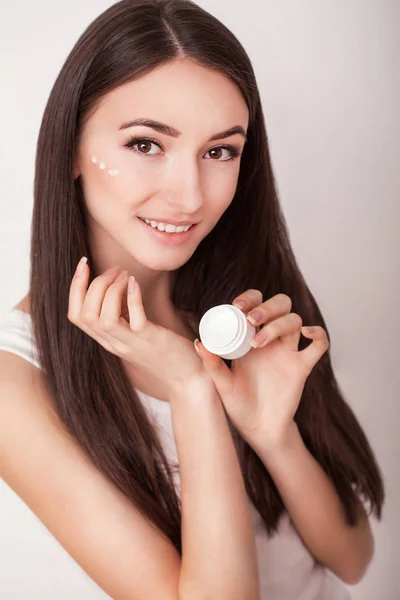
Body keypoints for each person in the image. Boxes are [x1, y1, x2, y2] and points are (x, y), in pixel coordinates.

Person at [0, 1, 385, 599]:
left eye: (219, 152)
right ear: (73, 147)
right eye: (147, 144)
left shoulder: (243, 302)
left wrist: (273, 436)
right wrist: (192, 389)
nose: (188, 196)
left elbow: (353, 558)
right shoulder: (15, 379)